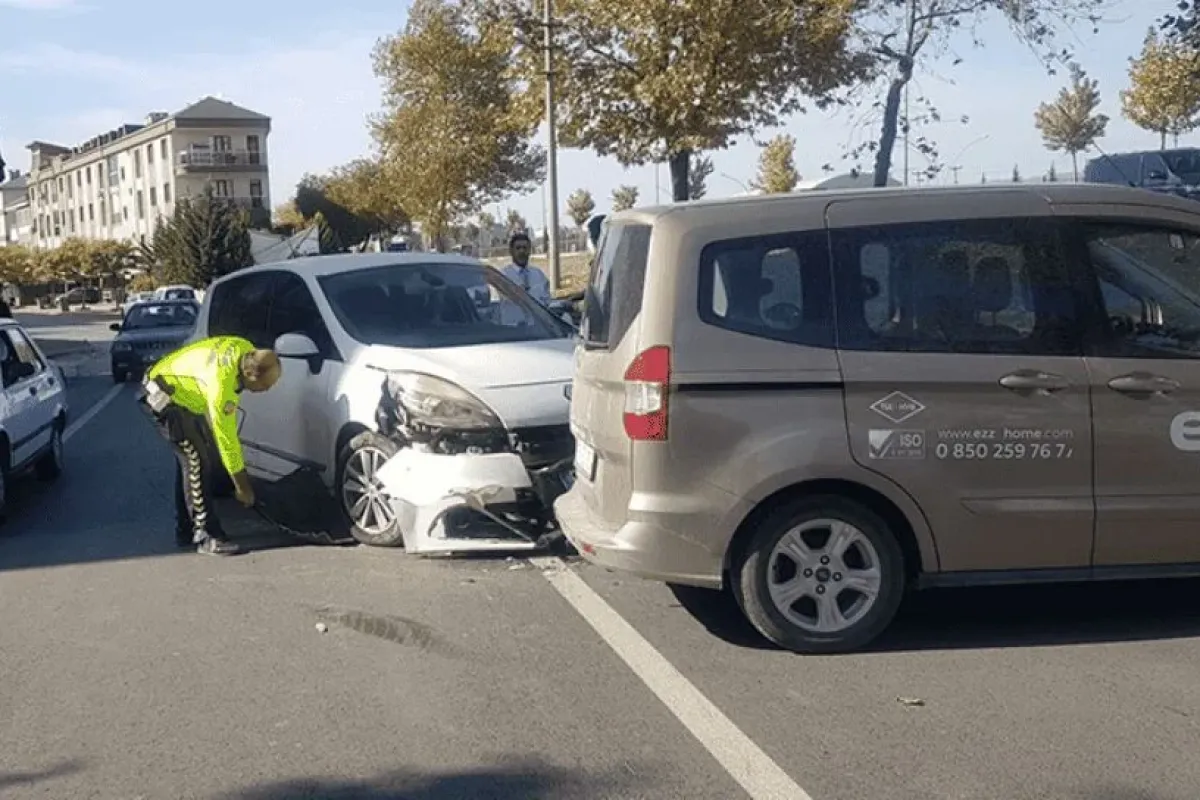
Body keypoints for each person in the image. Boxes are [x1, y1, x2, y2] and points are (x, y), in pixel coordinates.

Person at [140, 336, 282, 555]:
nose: (268, 389)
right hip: (162, 397)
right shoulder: (221, 388)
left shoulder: (245, 348)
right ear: (250, 376)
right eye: (266, 385)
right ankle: (207, 536)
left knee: (190, 460)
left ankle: (185, 529)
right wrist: (242, 487)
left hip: (182, 394)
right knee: (196, 460)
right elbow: (228, 443)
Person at [501, 232, 551, 306]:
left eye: (525, 248)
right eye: (518, 248)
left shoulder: (538, 274)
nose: (522, 251)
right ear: (511, 251)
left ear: (529, 250)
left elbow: (547, 302)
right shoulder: (503, 275)